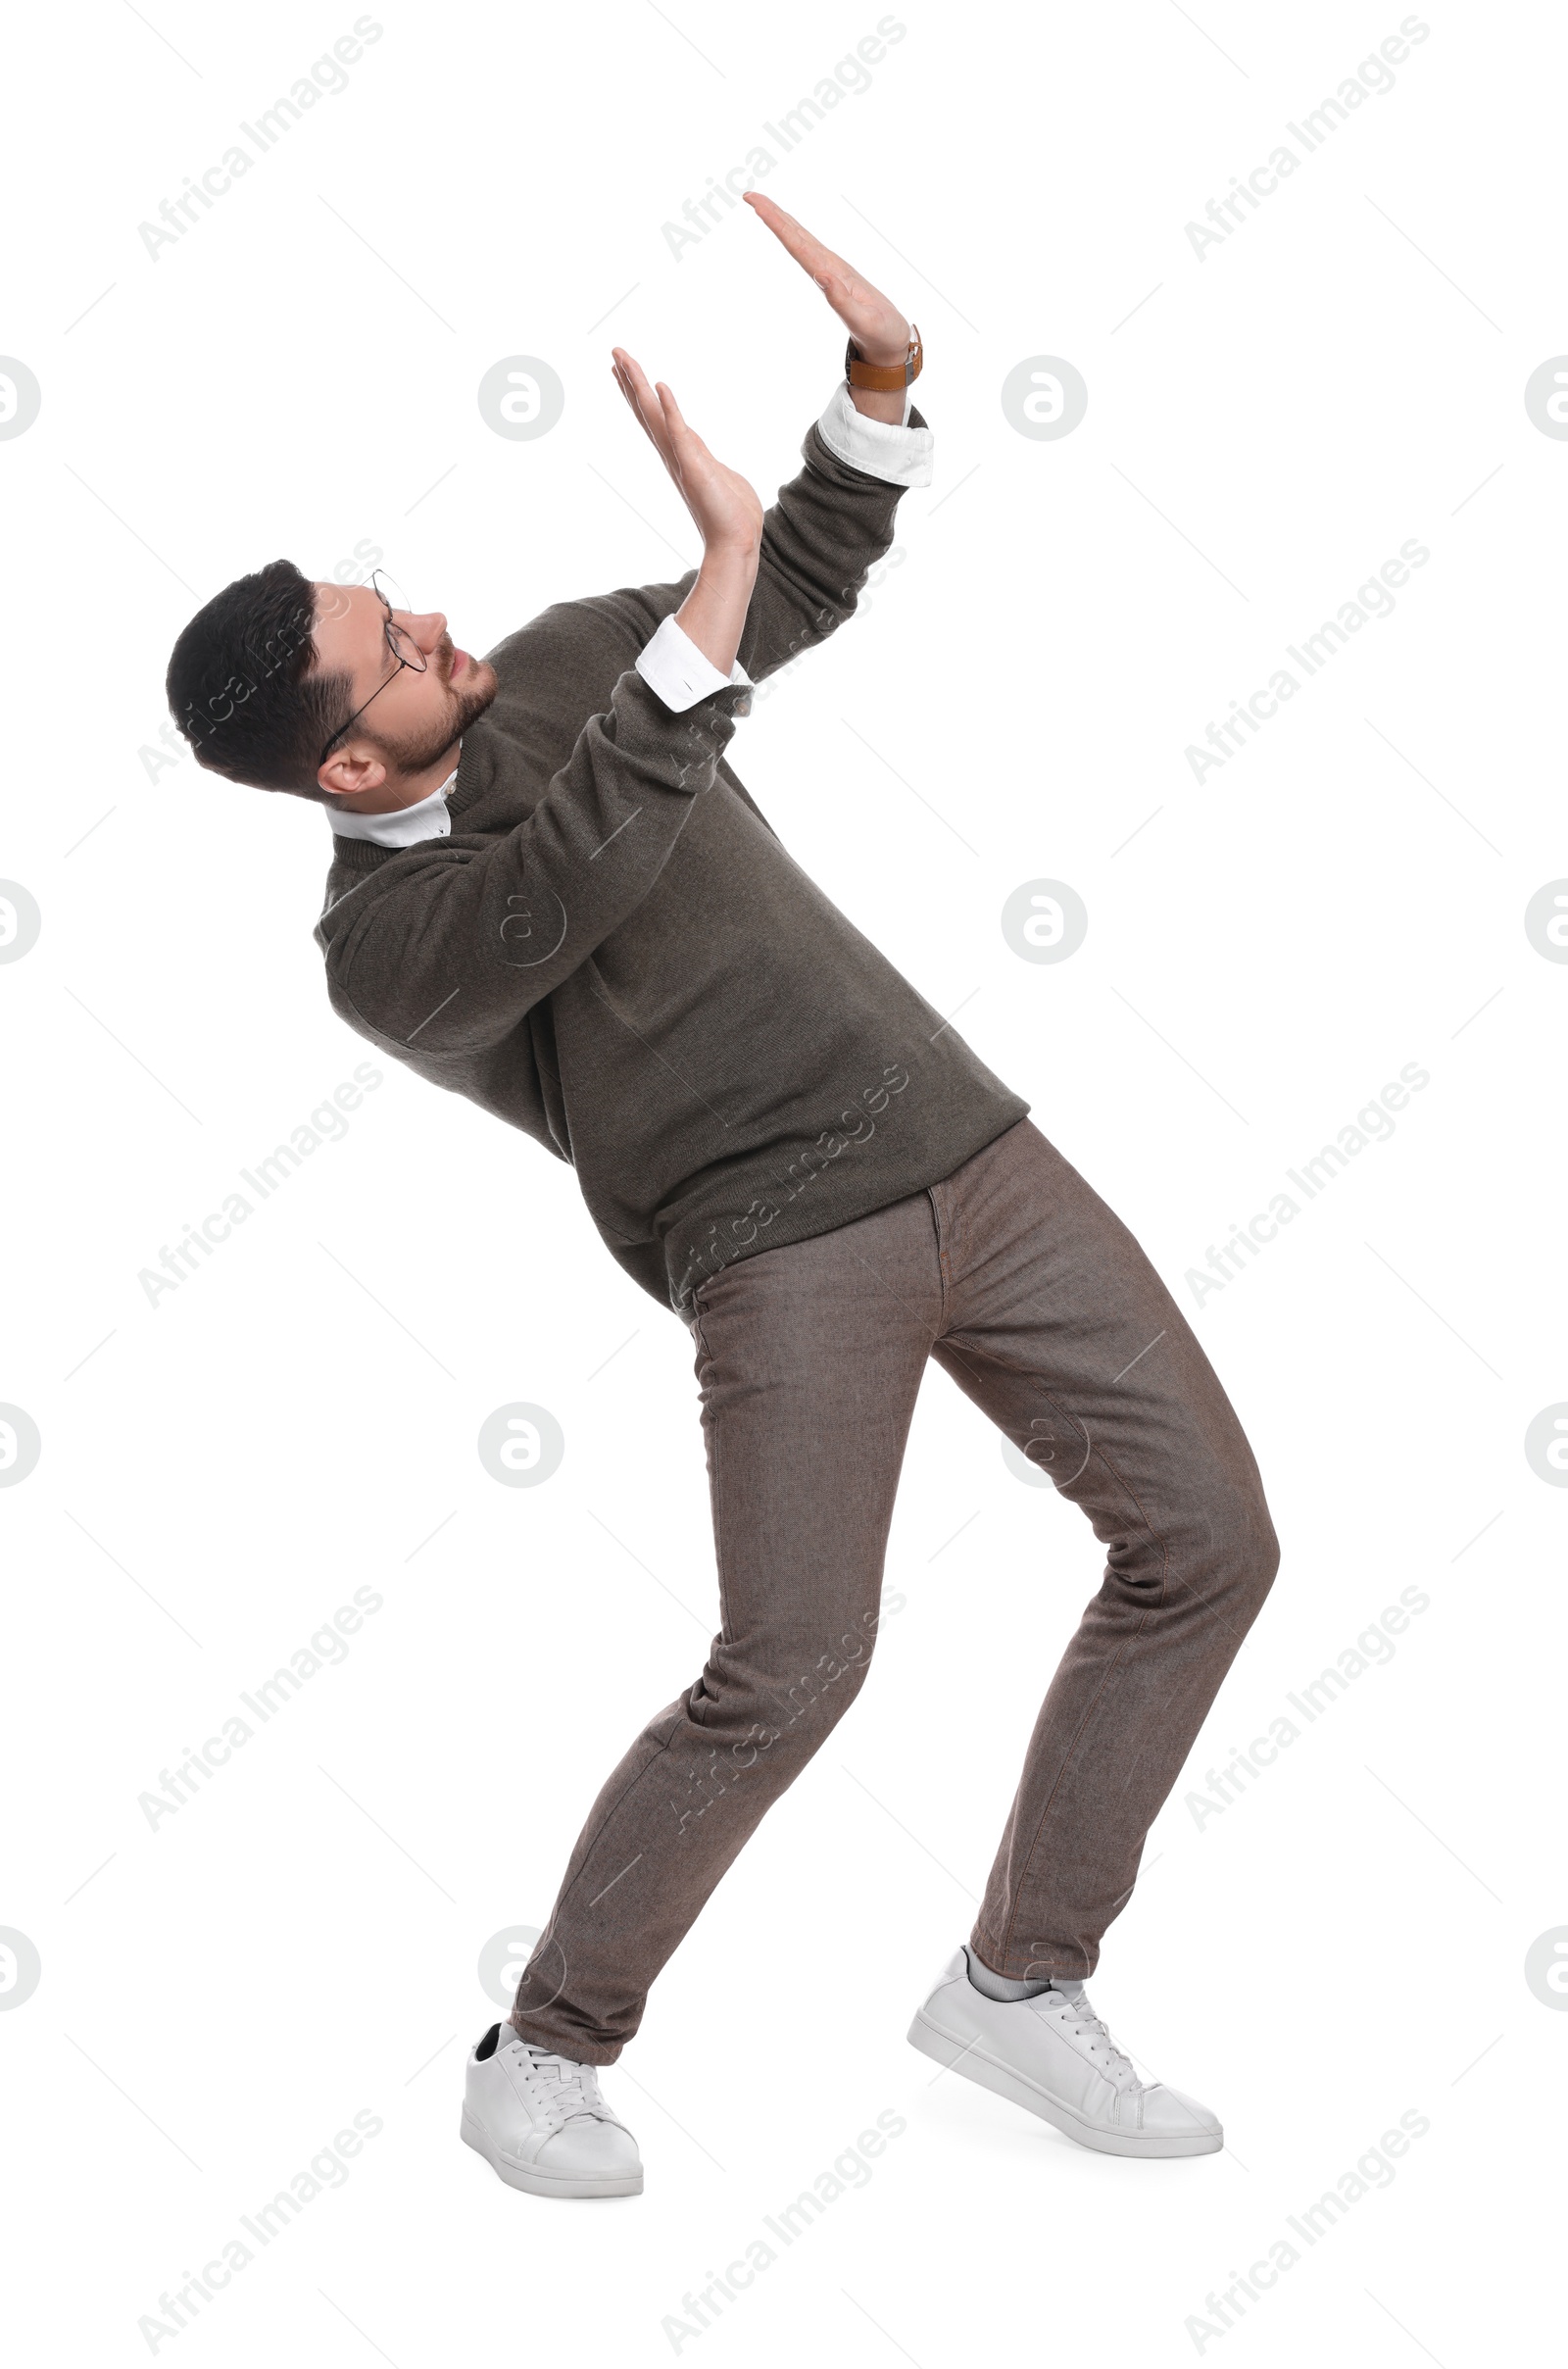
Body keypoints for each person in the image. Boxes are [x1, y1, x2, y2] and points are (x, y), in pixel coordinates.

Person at [165, 195, 1279, 2198]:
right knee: (794, 1663)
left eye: (392, 594)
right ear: (341, 774)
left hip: (974, 1150)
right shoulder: (385, 937)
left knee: (1204, 1538)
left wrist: (873, 391)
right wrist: (706, 606)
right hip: (778, 1253)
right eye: (386, 650)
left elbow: (800, 575)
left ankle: (1019, 1988)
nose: (431, 625)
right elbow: (576, 865)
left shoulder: (591, 654)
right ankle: (548, 2043)